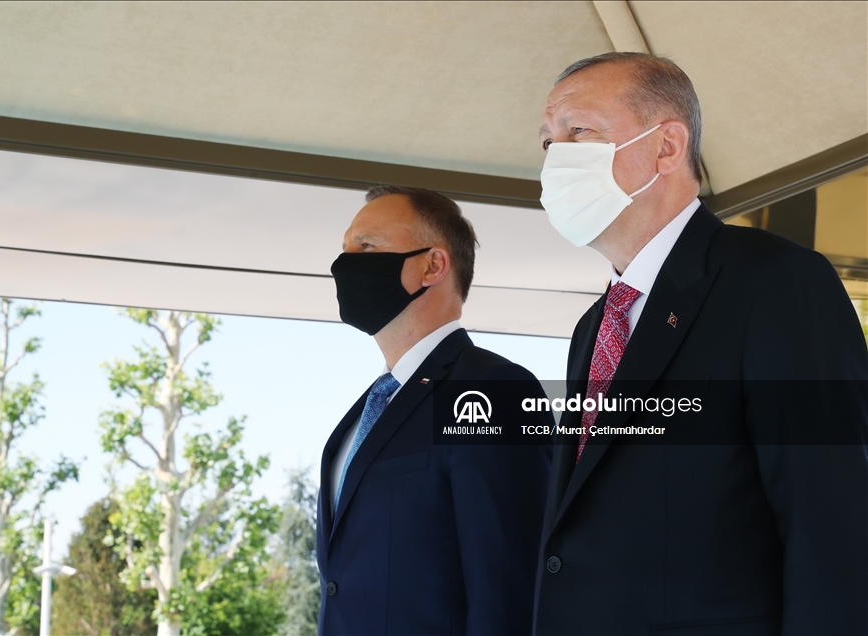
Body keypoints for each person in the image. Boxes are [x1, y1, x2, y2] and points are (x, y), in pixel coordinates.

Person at [534, 52, 868, 635]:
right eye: (547, 141)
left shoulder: (776, 282)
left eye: (579, 130)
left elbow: (833, 524)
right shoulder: (595, 324)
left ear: (667, 146)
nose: (555, 157)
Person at [316, 186, 552, 635]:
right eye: (344, 248)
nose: (343, 263)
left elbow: (508, 587)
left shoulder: (490, 390)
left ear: (432, 265)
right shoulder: (366, 411)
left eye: (366, 246)